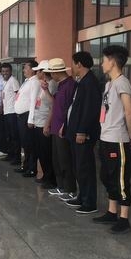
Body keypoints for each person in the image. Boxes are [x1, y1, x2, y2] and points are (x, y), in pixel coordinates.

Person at [93, 45, 131, 234]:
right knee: (106, 175)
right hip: (105, 137)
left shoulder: (122, 83)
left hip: (118, 139)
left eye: (104, 60)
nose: (102, 64)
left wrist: (130, 135)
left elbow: (129, 111)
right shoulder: (109, 84)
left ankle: (124, 218)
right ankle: (111, 212)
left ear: (112, 62)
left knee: (120, 179)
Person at [64, 51, 102, 214]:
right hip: (75, 131)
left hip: (83, 133)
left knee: (85, 167)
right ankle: (82, 196)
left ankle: (89, 202)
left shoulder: (90, 82)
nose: (72, 67)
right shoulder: (82, 81)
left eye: (73, 63)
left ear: (79, 64)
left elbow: (90, 110)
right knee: (78, 167)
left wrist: (81, 131)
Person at [45, 58, 76, 199]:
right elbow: (55, 104)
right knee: (57, 159)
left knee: (65, 160)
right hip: (56, 126)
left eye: (51, 73)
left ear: (57, 72)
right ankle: (61, 186)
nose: (51, 75)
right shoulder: (60, 85)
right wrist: (46, 90)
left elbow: (70, 108)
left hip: (63, 128)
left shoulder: (70, 85)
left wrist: (64, 124)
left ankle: (69, 188)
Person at [30, 61, 55, 189]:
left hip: (45, 122)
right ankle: (45, 175)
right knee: (41, 152)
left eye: (39, 71)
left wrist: (47, 124)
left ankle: (51, 178)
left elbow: (52, 106)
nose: (37, 73)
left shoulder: (52, 84)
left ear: (44, 72)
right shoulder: (43, 84)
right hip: (38, 122)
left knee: (46, 152)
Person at [14, 60, 40, 176]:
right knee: (25, 143)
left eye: (26, 68)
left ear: (33, 70)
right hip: (21, 116)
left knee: (29, 144)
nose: (24, 70)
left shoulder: (34, 82)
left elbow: (33, 101)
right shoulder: (27, 81)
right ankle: (25, 165)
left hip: (26, 116)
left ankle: (32, 168)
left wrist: (31, 119)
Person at [0, 63, 20, 163]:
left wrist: (17, 109)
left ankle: (17, 157)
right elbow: (4, 96)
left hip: (12, 112)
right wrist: (1, 106)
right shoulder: (4, 82)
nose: (5, 73)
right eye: (3, 71)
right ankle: (10, 154)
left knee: (14, 135)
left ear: (11, 71)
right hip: (6, 112)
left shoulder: (13, 81)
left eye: (7, 71)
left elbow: (18, 95)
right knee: (9, 135)